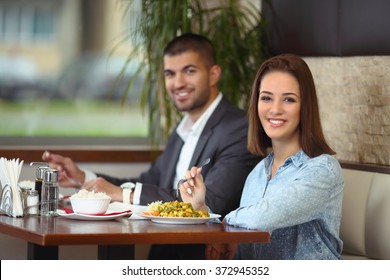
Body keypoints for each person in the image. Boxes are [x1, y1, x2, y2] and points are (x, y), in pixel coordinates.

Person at [42, 33, 261, 259]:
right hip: (163, 252)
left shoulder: (239, 129)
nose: (178, 83)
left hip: (200, 258)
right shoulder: (182, 130)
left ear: (213, 74)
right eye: (170, 74)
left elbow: (210, 203)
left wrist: (122, 194)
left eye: (189, 71)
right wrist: (83, 177)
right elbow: (149, 183)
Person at [179, 53, 345, 260]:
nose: (275, 109)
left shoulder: (322, 170)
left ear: (305, 107)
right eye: (266, 98)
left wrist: (219, 226)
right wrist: (200, 208)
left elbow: (259, 218)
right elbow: (245, 246)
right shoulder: (258, 173)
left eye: (289, 99)